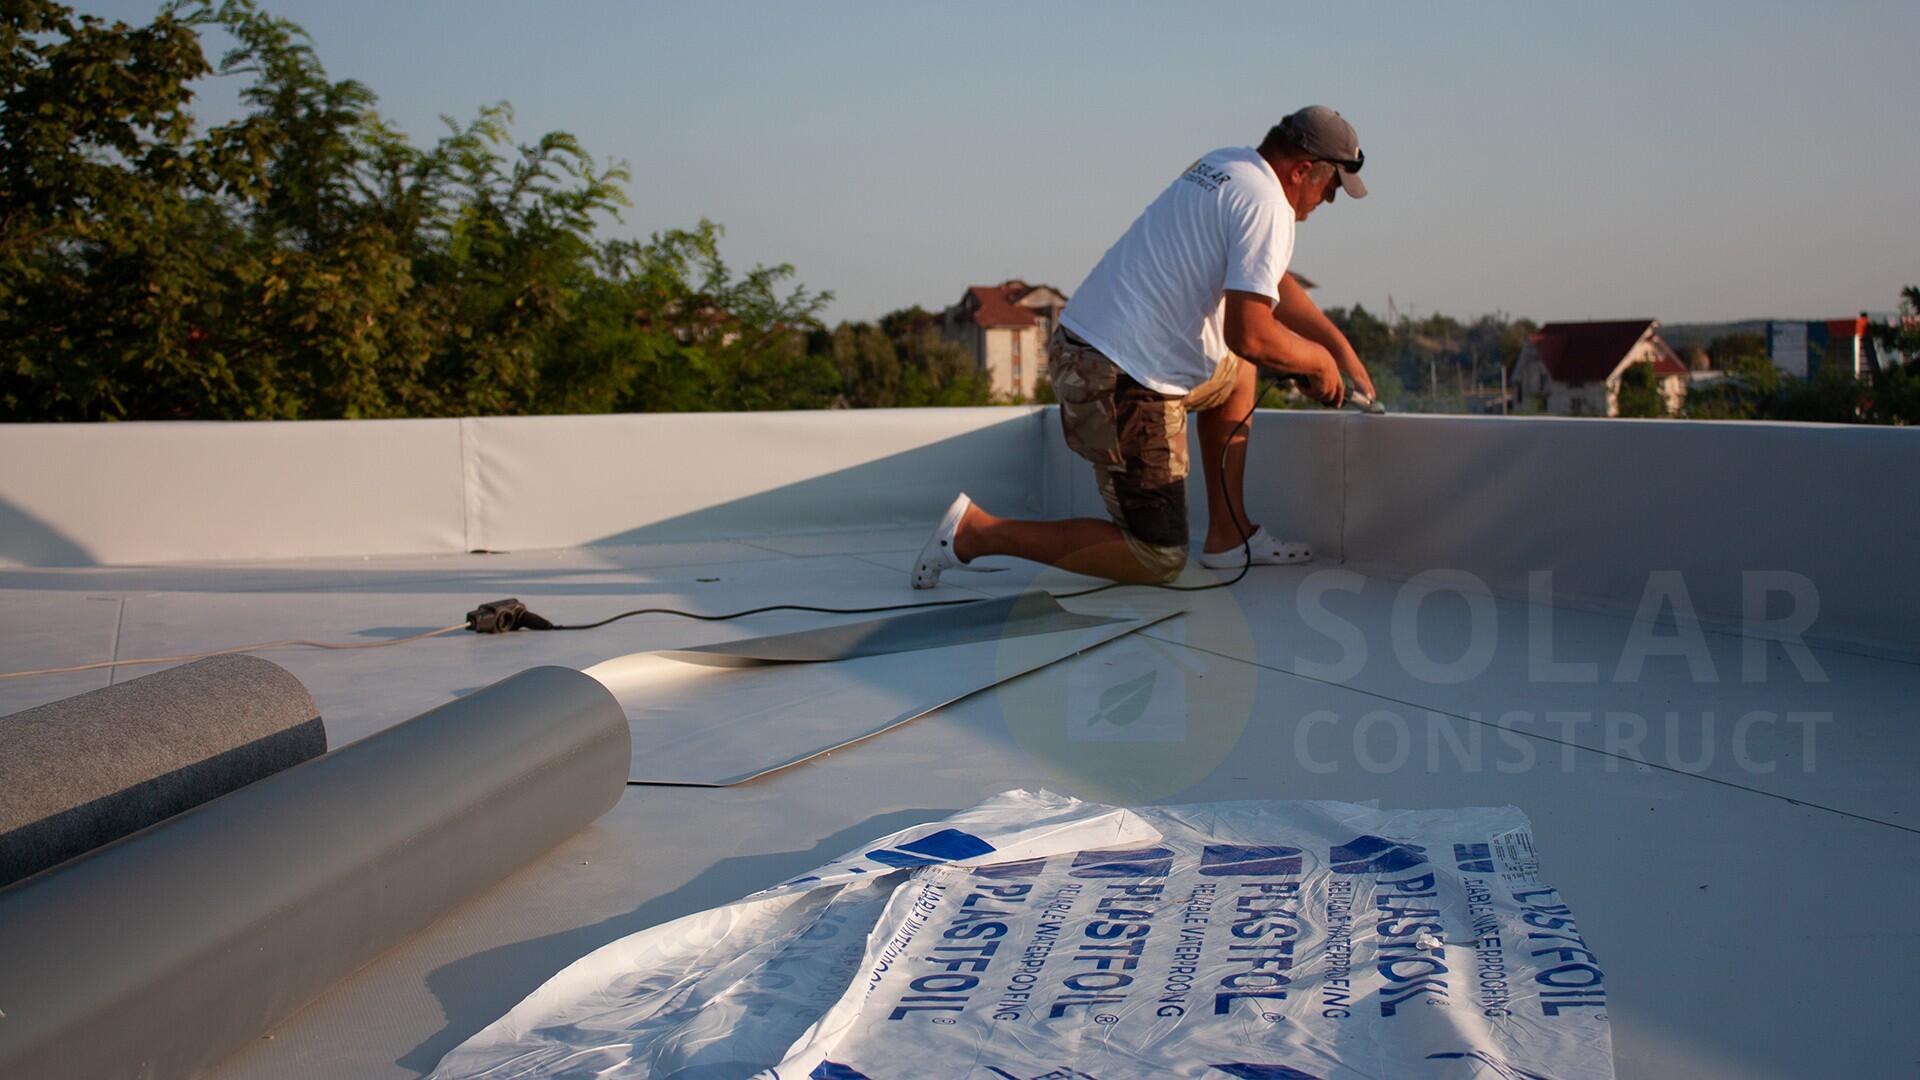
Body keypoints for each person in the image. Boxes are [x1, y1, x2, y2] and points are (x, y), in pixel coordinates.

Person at [913, 105, 1376, 588]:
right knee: (1156, 557)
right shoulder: (1269, 205)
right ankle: (973, 533)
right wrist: (1316, 362)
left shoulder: (1228, 166)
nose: (1330, 199)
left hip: (1091, 352)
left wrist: (1336, 345)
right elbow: (1251, 334)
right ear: (1302, 169)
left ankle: (1229, 536)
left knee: (1237, 370)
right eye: (1332, 186)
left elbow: (1268, 276)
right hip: (1117, 381)